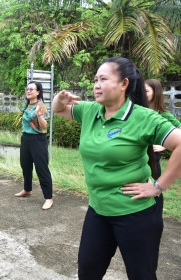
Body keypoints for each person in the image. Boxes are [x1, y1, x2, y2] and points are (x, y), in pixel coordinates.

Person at [52, 56, 181, 279]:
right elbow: (59, 110)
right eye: (95, 79)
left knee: (142, 275)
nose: (96, 85)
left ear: (124, 84)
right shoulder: (91, 110)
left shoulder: (144, 118)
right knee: (88, 271)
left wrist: (158, 186)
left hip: (136, 214)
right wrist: (58, 98)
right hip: (98, 210)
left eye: (103, 79)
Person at [14, 81, 53, 210]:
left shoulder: (41, 106)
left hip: (38, 139)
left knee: (41, 168)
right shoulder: (27, 105)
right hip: (26, 138)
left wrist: (38, 113)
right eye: (27, 88)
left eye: (31, 89)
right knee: (25, 165)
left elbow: (44, 126)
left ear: (38, 92)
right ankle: (27, 189)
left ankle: (48, 198)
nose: (28, 91)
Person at [145, 79, 181, 177]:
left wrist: (163, 146)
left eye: (146, 91)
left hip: (153, 156)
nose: (143, 93)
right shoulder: (140, 111)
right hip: (139, 155)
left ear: (155, 93)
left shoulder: (163, 114)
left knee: (155, 186)